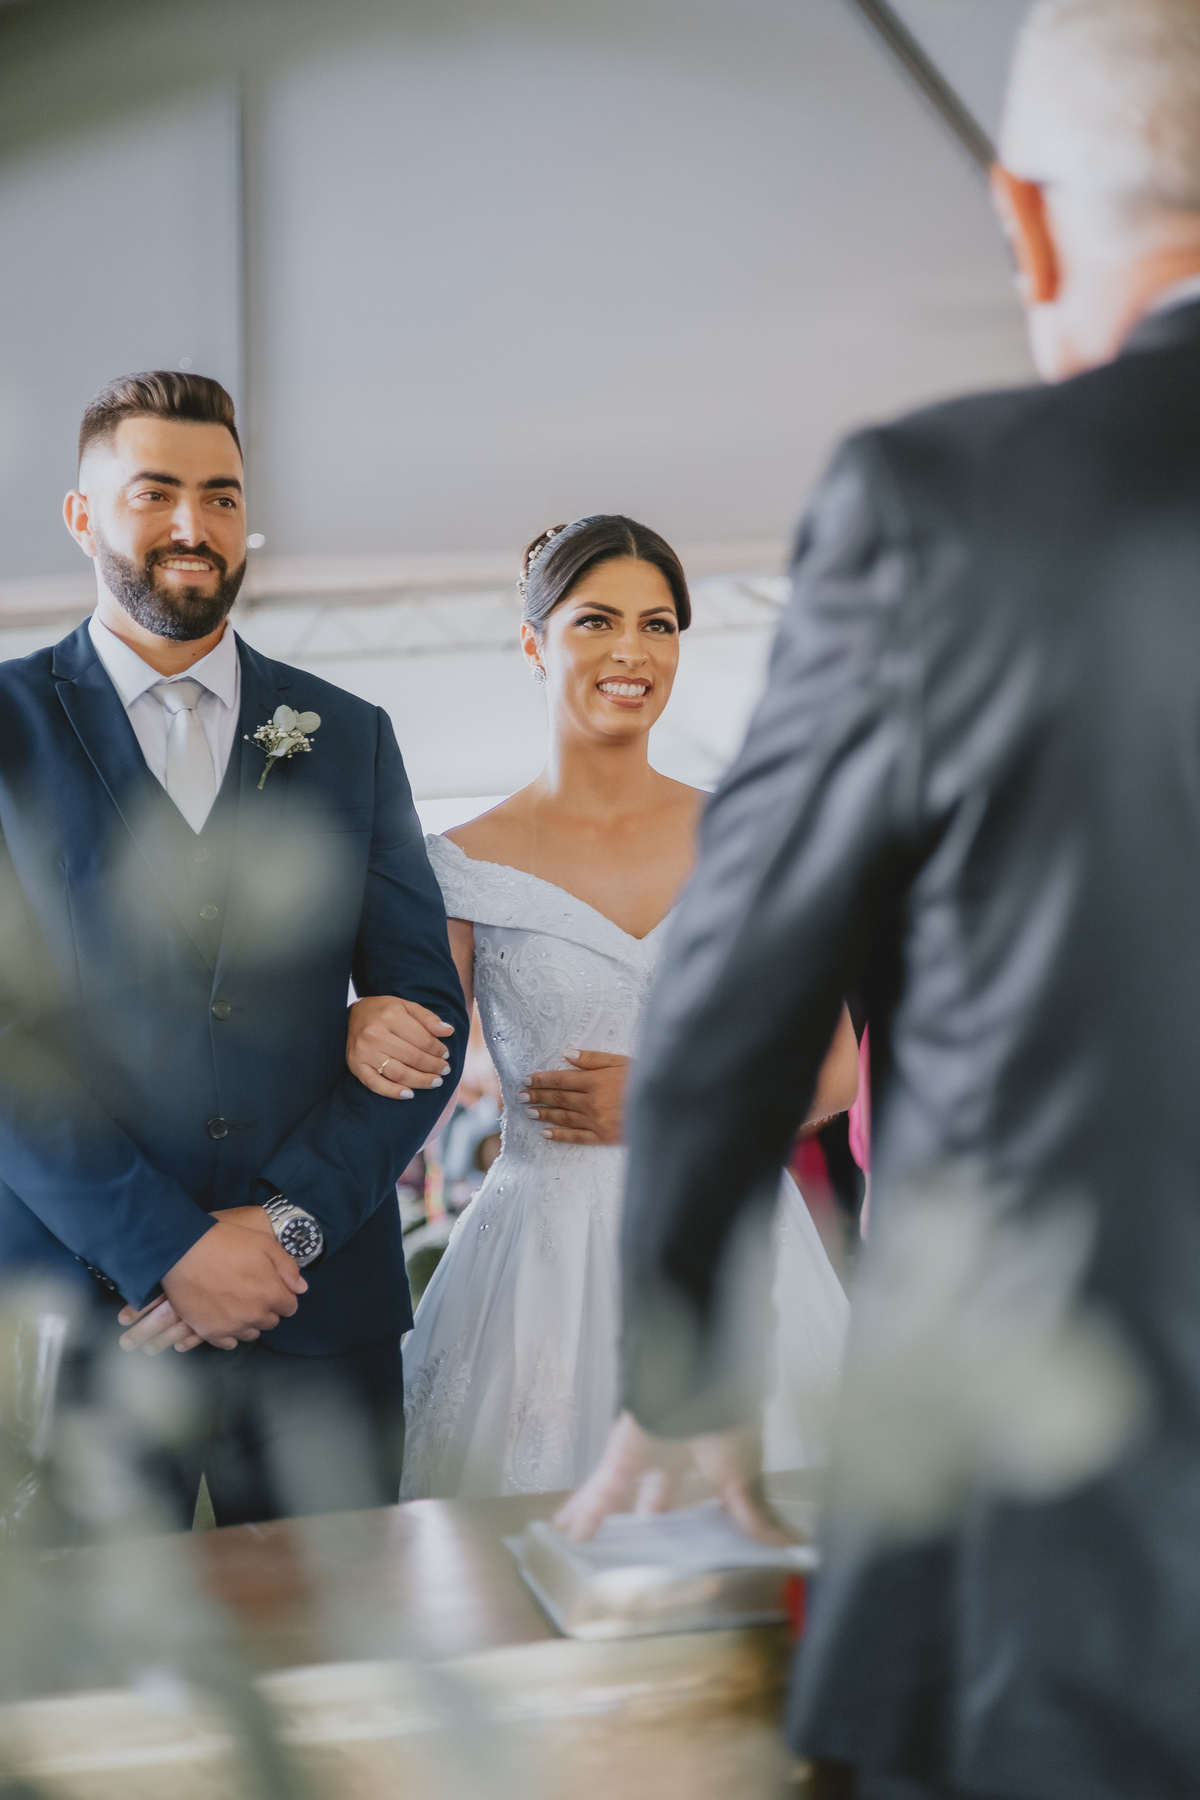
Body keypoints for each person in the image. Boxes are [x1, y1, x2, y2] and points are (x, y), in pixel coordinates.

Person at [558, 1, 1200, 1792]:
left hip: (1058, 1556)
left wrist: (693, 1372)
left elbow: (739, 987)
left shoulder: (949, 506)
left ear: (1030, 219)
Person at [0, 371, 468, 1529]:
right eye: (155, 492)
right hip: (85, 1321)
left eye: (221, 495)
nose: (192, 524)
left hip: (320, 1320)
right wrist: (169, 1251)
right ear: (82, 516)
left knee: (341, 1631)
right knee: (94, 1647)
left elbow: (426, 1016)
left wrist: (285, 1227)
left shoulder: (348, 735)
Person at [347, 516, 858, 1499]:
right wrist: (358, 1025)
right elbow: (411, 1063)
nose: (633, 651)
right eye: (598, 620)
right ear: (533, 642)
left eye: (658, 625)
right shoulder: (457, 866)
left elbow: (834, 1065)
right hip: (538, 1269)